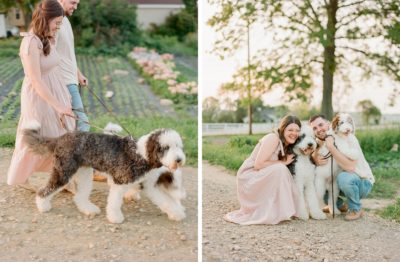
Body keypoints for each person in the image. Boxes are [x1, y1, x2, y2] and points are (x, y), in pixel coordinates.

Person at [7, 0, 75, 190]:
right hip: (38, 97)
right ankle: (20, 177)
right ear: (46, 19)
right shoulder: (30, 43)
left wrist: (65, 95)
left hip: (54, 93)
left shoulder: (48, 38)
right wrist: (59, 106)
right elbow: (36, 80)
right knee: (36, 137)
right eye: (57, 23)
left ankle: (62, 176)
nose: (58, 27)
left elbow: (54, 66)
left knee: (61, 136)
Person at [224, 115, 300, 225]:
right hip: (249, 177)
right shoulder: (273, 138)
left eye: (297, 130)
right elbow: (258, 165)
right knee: (280, 169)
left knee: (281, 170)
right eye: (290, 130)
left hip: (261, 175)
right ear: (283, 129)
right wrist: (283, 162)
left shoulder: (287, 144)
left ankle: (284, 209)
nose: (294, 133)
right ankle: (272, 211)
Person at [309, 115, 374, 221]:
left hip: (363, 182)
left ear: (328, 124)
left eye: (321, 125)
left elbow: (350, 167)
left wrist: (331, 147)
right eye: (314, 128)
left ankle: (355, 208)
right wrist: (315, 158)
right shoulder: (322, 141)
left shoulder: (347, 136)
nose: (319, 130)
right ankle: (340, 205)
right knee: (315, 180)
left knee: (343, 178)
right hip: (342, 183)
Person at [56, 0, 89, 132]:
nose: (75, 7)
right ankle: (83, 152)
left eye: (77, 4)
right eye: (73, 2)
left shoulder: (66, 21)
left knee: (74, 123)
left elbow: (67, 54)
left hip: (71, 79)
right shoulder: (54, 23)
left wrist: (78, 74)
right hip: (64, 81)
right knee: (82, 122)